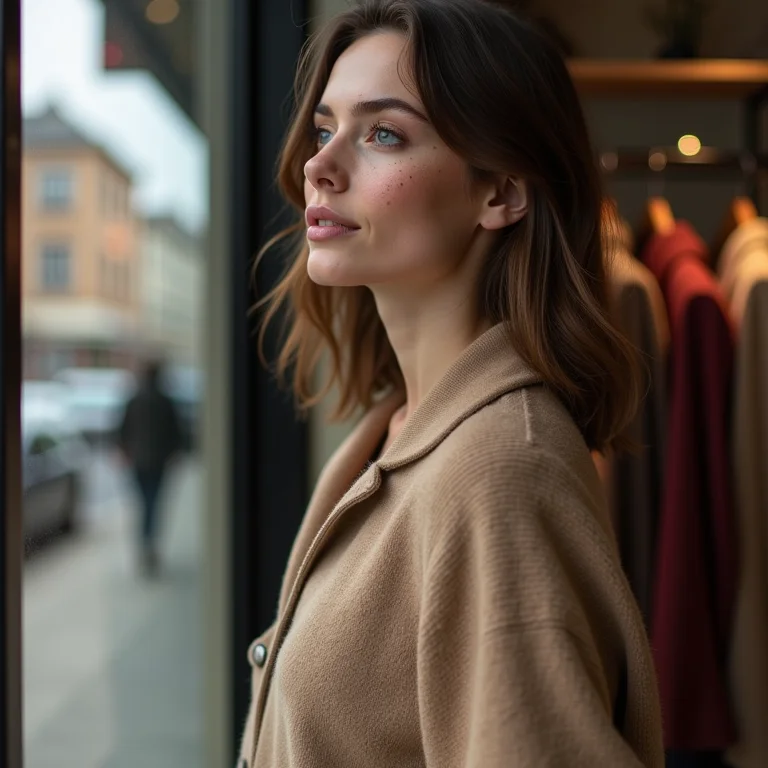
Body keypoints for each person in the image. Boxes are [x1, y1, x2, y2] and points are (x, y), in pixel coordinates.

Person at [239, 1, 664, 766]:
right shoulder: (398, 427)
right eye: (326, 127)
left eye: (383, 134)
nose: (319, 166)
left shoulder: (499, 474)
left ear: (501, 190)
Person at [117, 358, 181, 577]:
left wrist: (125, 452)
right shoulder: (165, 401)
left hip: (139, 461)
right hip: (158, 461)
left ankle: (145, 545)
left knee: (144, 504)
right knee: (153, 504)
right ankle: (149, 545)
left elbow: (122, 429)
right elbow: (176, 432)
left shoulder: (135, 399)